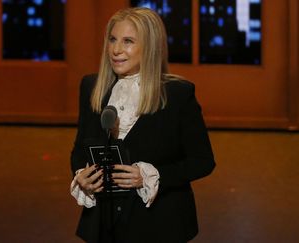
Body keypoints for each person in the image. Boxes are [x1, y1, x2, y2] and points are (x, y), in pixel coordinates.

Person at [70, 7, 215, 243]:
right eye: (112, 39)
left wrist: (150, 175)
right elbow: (79, 150)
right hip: (103, 224)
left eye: (128, 41)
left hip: (159, 224)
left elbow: (202, 161)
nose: (116, 50)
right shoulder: (91, 87)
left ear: (150, 47)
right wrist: (81, 175)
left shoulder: (177, 94)